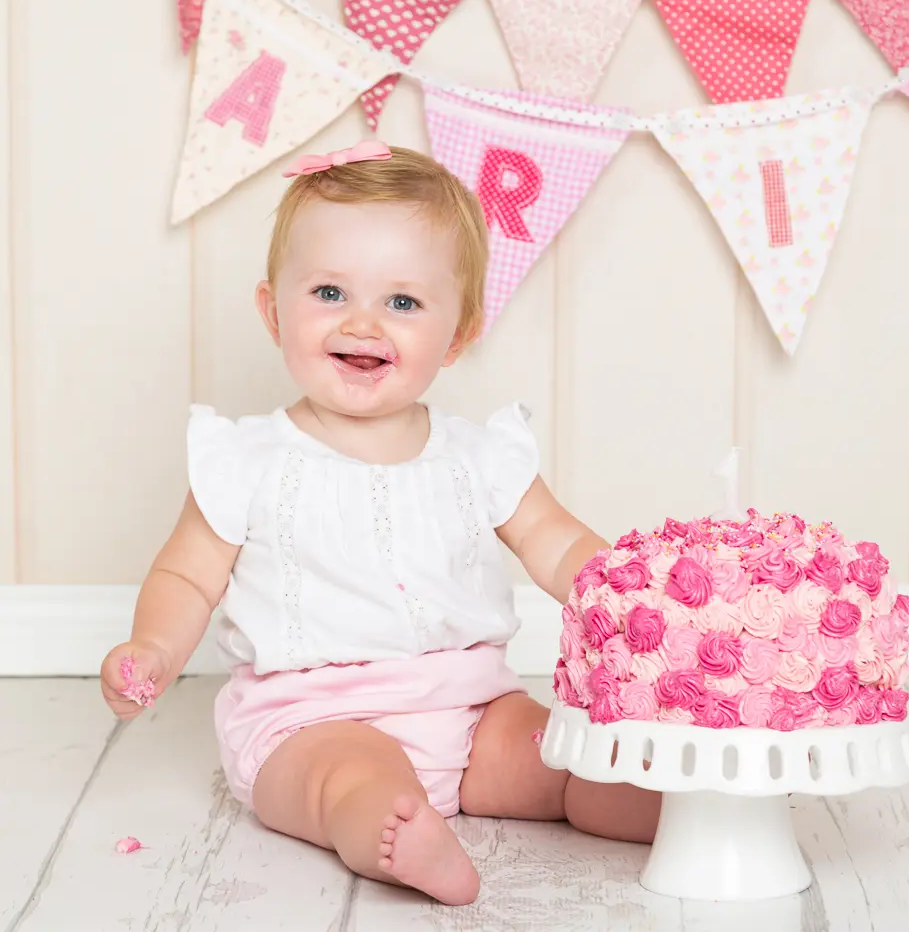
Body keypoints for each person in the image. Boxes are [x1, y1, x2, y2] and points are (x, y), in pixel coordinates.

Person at [100, 141, 660, 905]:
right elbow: (186, 574)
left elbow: (554, 540)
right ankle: (393, 834)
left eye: (403, 302)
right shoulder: (247, 459)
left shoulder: (477, 457)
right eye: (329, 292)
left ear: (458, 333)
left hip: (472, 708)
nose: (364, 323)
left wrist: (632, 599)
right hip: (309, 720)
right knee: (352, 780)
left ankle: (658, 801)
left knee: (563, 754)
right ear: (273, 311)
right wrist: (154, 647)